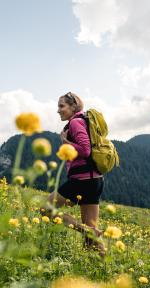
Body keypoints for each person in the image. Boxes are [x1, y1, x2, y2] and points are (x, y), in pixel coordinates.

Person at [43, 92, 105, 255]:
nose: (58, 110)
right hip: (95, 180)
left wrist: (66, 143)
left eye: (62, 106)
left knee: (46, 209)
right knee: (91, 241)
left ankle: (87, 231)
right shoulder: (83, 121)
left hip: (82, 180)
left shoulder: (76, 123)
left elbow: (85, 150)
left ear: (73, 106)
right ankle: (104, 269)